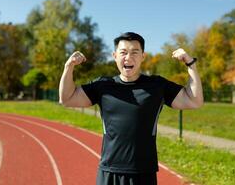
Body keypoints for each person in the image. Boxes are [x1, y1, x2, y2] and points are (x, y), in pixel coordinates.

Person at [59, 32, 203, 185]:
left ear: (143, 56)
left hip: (143, 173)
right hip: (109, 171)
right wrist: (69, 67)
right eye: (123, 53)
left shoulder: (157, 86)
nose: (128, 57)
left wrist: (190, 64)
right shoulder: (103, 85)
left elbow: (194, 101)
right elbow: (67, 99)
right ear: (115, 56)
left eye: (135, 52)